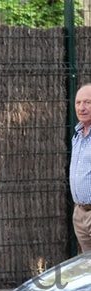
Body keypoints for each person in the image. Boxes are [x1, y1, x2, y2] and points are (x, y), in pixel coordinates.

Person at [70, 83, 91, 253]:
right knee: (86, 268)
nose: (82, 108)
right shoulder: (77, 134)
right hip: (80, 213)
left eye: (87, 102)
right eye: (78, 103)